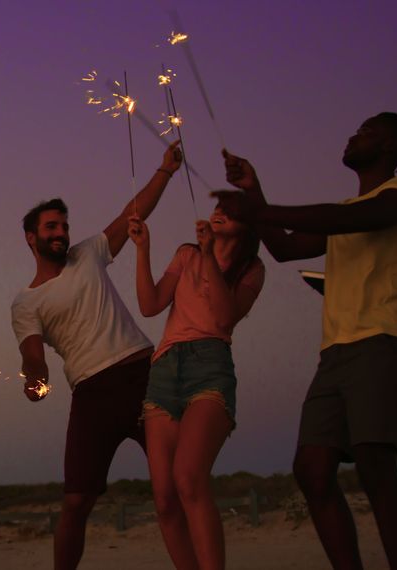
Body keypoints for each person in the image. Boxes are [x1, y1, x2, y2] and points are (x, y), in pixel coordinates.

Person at [215, 112, 397, 569]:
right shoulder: (345, 216)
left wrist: (256, 211)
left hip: (385, 342)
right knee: (312, 470)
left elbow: (343, 218)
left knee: (375, 466)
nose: (355, 134)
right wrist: (255, 192)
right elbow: (285, 248)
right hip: (336, 353)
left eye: (369, 131)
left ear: (391, 147)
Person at [11, 141, 182, 570]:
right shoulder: (25, 304)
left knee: (177, 487)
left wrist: (164, 171)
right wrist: (34, 379)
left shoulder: (87, 253)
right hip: (91, 395)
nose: (60, 233)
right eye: (51, 227)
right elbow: (34, 360)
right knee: (75, 501)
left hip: (145, 376)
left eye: (63, 226)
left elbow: (132, 214)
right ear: (31, 237)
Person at [127, 200, 264, 569]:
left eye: (230, 210)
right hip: (165, 369)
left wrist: (209, 255)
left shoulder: (251, 269)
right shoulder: (185, 255)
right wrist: (143, 250)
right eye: (218, 205)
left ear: (246, 226)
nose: (219, 211)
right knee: (165, 499)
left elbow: (223, 318)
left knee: (189, 477)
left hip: (210, 365)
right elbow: (149, 304)